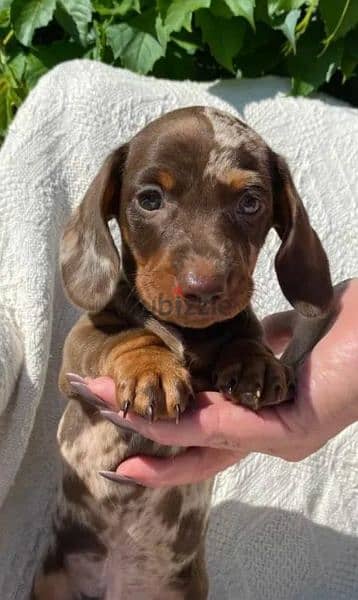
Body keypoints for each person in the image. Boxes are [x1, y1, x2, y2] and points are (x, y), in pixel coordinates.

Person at [79, 279, 358, 488]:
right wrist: (133, 354)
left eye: (248, 206)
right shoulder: (115, 298)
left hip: (181, 560)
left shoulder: (235, 318)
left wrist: (249, 358)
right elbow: (79, 353)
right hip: (65, 544)